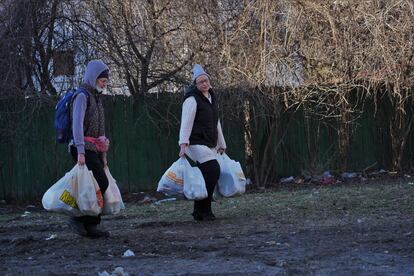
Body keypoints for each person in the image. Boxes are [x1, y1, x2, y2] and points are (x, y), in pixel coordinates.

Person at [69, 59, 111, 238]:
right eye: (103, 81)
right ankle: (83, 221)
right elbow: (76, 125)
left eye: (106, 81)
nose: (105, 84)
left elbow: (99, 128)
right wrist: (80, 151)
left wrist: (103, 152)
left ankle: (87, 225)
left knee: (92, 185)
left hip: (93, 148)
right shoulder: (81, 96)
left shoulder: (96, 97)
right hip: (82, 148)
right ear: (94, 78)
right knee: (101, 182)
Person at [179, 64, 226, 221]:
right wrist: (183, 144)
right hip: (194, 142)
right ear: (196, 84)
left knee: (209, 173)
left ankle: (201, 211)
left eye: (206, 80)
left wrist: (221, 143)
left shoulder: (211, 97)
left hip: (208, 142)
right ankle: (203, 209)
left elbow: (216, 121)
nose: (204, 84)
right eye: (200, 82)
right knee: (213, 170)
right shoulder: (192, 99)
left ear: (209, 81)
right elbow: (186, 122)